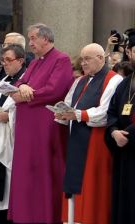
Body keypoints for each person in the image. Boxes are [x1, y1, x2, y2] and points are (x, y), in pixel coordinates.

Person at [8, 23, 74, 223]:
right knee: (26, 170)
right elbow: (20, 82)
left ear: (46, 38)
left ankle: (45, 215)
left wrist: (27, 95)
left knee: (43, 168)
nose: (30, 43)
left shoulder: (61, 59)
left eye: (33, 38)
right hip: (27, 124)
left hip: (44, 124)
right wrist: (23, 87)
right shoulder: (36, 62)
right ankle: (25, 214)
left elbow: (56, 90)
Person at [56, 43, 123, 224]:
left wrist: (79, 114)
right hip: (76, 139)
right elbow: (68, 103)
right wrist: (61, 113)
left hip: (96, 143)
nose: (83, 63)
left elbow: (105, 112)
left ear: (101, 58)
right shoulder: (79, 81)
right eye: (82, 59)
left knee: (92, 188)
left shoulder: (113, 80)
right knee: (75, 187)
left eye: (87, 59)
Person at [0, 44, 26, 224]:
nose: (5, 64)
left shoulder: (25, 81)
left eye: (8, 60)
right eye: (3, 60)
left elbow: (24, 110)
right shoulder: (4, 80)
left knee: (11, 182)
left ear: (21, 61)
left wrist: (8, 116)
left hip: (13, 141)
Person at [105, 37, 135, 224]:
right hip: (124, 153)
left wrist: (129, 134)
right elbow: (112, 112)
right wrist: (114, 131)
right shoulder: (124, 84)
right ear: (130, 53)